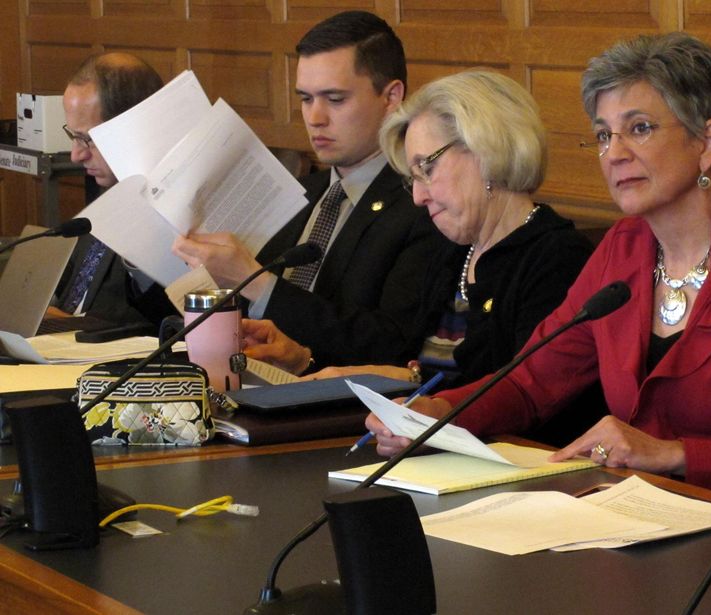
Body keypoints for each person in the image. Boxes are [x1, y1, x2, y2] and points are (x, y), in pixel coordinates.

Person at [367, 32, 711, 527]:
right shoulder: (622, 249)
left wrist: (674, 454)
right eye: (603, 135)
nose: (614, 154)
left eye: (640, 128)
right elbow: (530, 382)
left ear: (706, 142)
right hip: (661, 524)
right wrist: (437, 413)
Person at [240, 70, 592, 390]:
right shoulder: (453, 252)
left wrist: (409, 383)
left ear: (486, 150)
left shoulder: (558, 259)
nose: (419, 197)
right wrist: (303, 361)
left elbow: (517, 398)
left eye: (427, 168)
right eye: (413, 179)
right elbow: (401, 365)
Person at [171, 11, 446, 371]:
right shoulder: (299, 192)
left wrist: (258, 284)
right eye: (305, 98)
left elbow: (391, 343)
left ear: (391, 97)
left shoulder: (423, 203)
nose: (315, 118)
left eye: (335, 99)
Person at [51, 52, 174, 326]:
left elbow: (157, 319)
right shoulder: (106, 185)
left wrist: (68, 325)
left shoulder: (173, 206)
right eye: (73, 136)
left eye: (88, 139)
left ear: (132, 127)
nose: (75, 155)